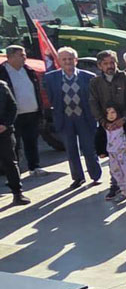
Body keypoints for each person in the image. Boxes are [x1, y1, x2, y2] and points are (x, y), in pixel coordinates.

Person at [88, 50, 126, 199]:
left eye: (112, 62)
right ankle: (116, 187)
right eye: (106, 63)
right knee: (113, 158)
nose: (110, 66)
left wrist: (123, 119)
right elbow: (93, 103)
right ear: (100, 65)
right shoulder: (95, 83)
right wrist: (103, 122)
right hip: (107, 127)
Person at [44, 48, 102, 189]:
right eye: (64, 59)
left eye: (70, 59)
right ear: (59, 61)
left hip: (85, 118)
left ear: (76, 60)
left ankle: (95, 175)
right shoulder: (50, 78)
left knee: (89, 148)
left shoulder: (88, 77)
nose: (68, 62)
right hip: (65, 118)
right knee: (71, 150)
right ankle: (77, 178)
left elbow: (94, 98)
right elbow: (52, 98)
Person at [0, 45, 43, 175]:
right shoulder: (2, 72)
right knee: (15, 145)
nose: (25, 57)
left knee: (31, 141)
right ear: (11, 56)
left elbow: (36, 90)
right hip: (13, 116)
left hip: (32, 112)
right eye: (21, 55)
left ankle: (34, 167)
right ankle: (14, 173)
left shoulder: (28, 70)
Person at [98, 106, 126, 203]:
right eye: (108, 113)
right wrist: (101, 151)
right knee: (116, 173)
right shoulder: (105, 127)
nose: (110, 115)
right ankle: (123, 192)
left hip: (124, 152)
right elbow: (99, 139)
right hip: (112, 154)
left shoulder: (124, 125)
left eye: (113, 112)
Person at [0, 78, 28, 204]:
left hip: (3, 132)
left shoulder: (2, 86)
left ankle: (17, 193)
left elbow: (13, 107)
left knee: (10, 162)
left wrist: (5, 124)